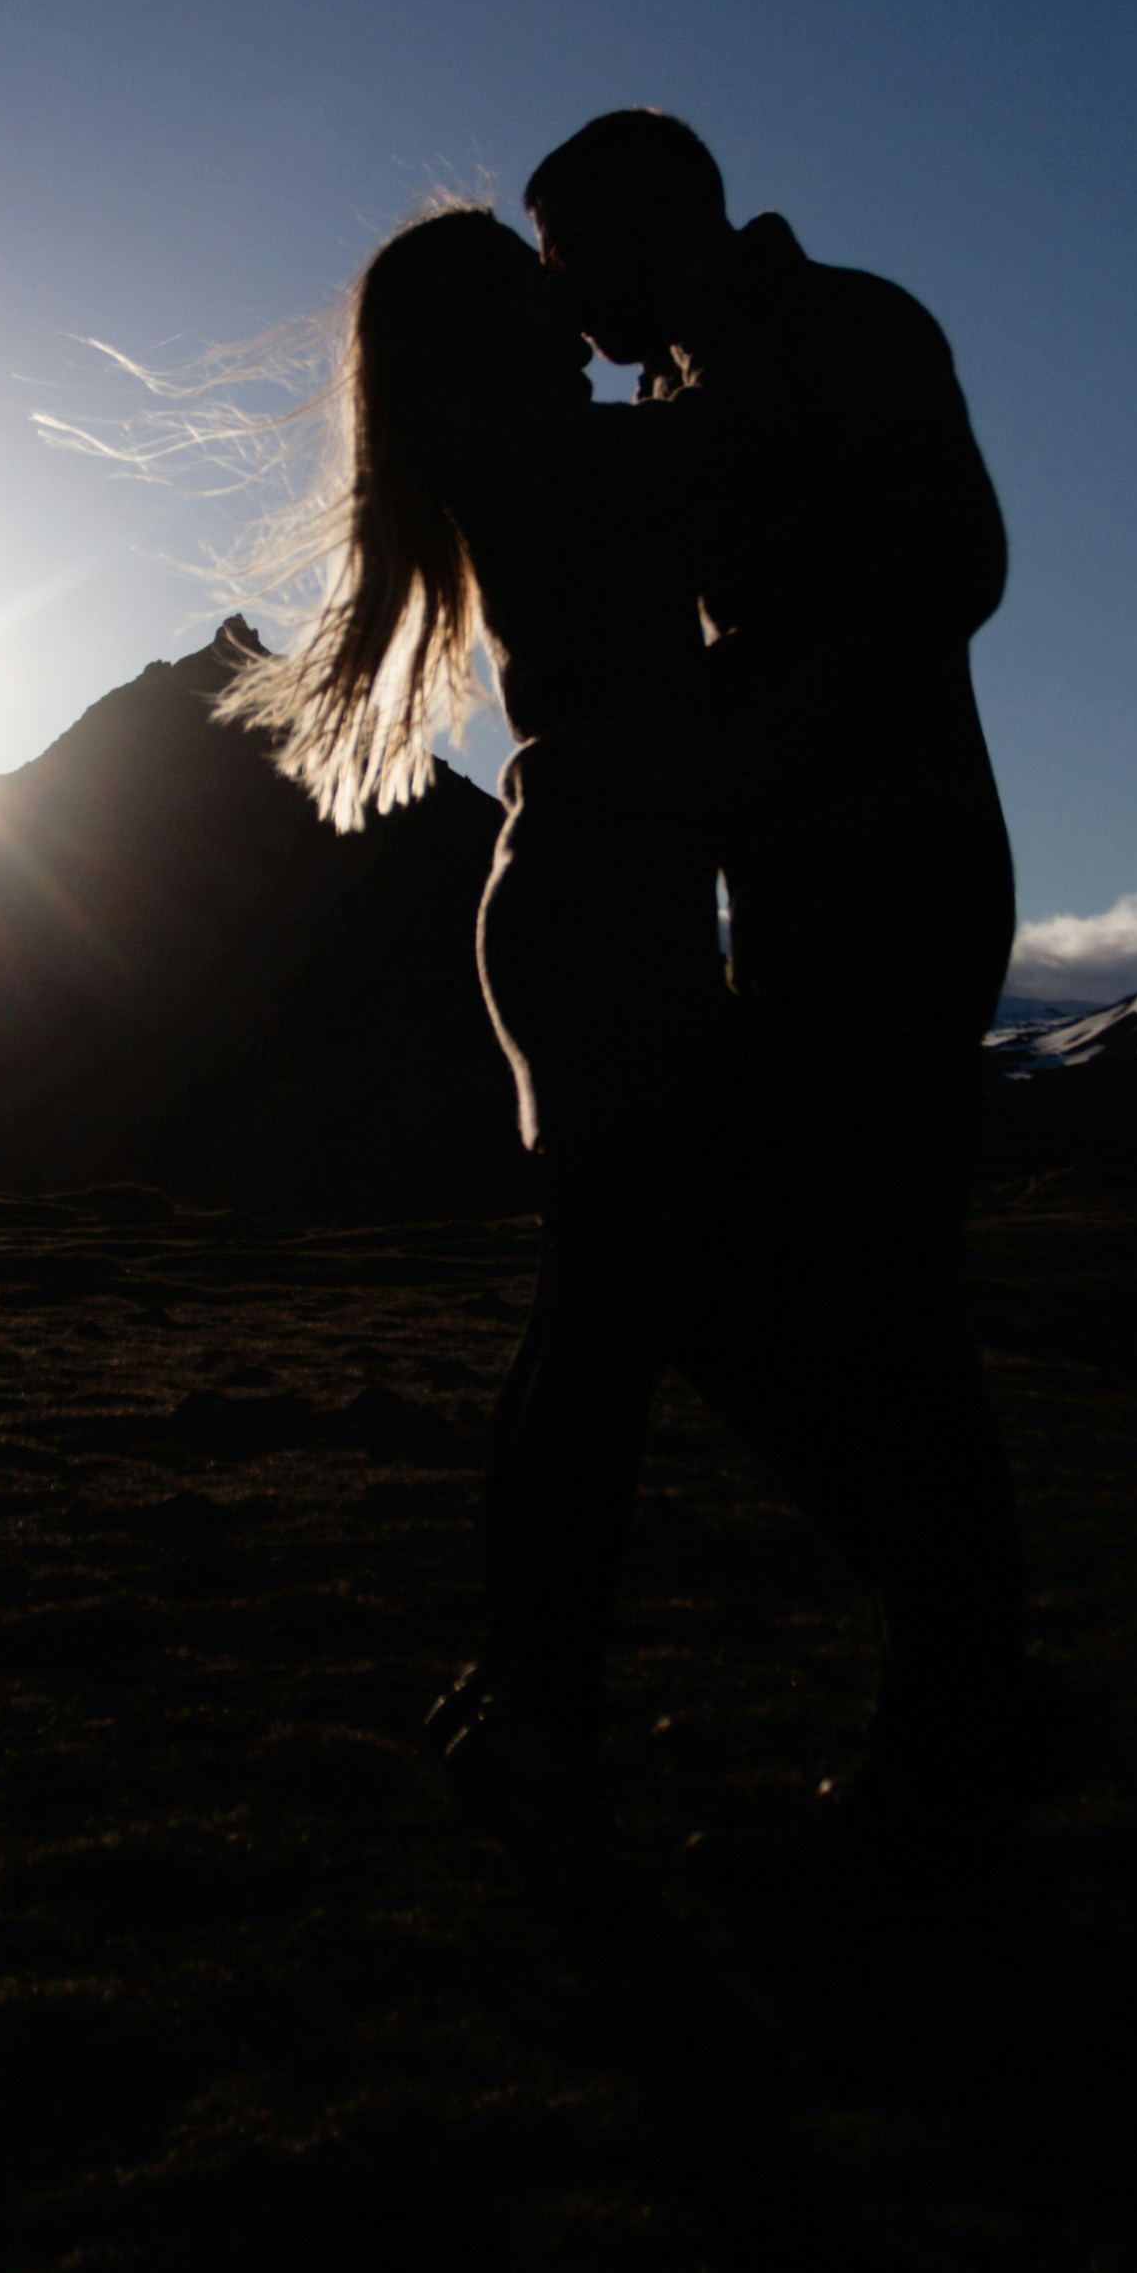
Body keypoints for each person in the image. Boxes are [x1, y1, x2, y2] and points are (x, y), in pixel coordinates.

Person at [523, 108, 1035, 1853]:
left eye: (566, 249)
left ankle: (960, 1720)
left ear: (661, 218)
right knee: (826, 1285)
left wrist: (731, 735)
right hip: (813, 889)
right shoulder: (694, 383)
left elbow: (951, 570)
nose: (556, 290)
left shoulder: (843, 332)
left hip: (893, 874)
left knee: (875, 1292)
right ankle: (956, 1684)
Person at [218, 203, 719, 1836]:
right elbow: (735, 453)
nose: (580, 334)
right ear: (489, 338)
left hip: (576, 886)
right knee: (608, 1330)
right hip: (608, 893)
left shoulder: (517, 451)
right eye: (541, 304)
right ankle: (542, 1715)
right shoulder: (561, 457)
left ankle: (527, 1689)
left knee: (594, 1320)